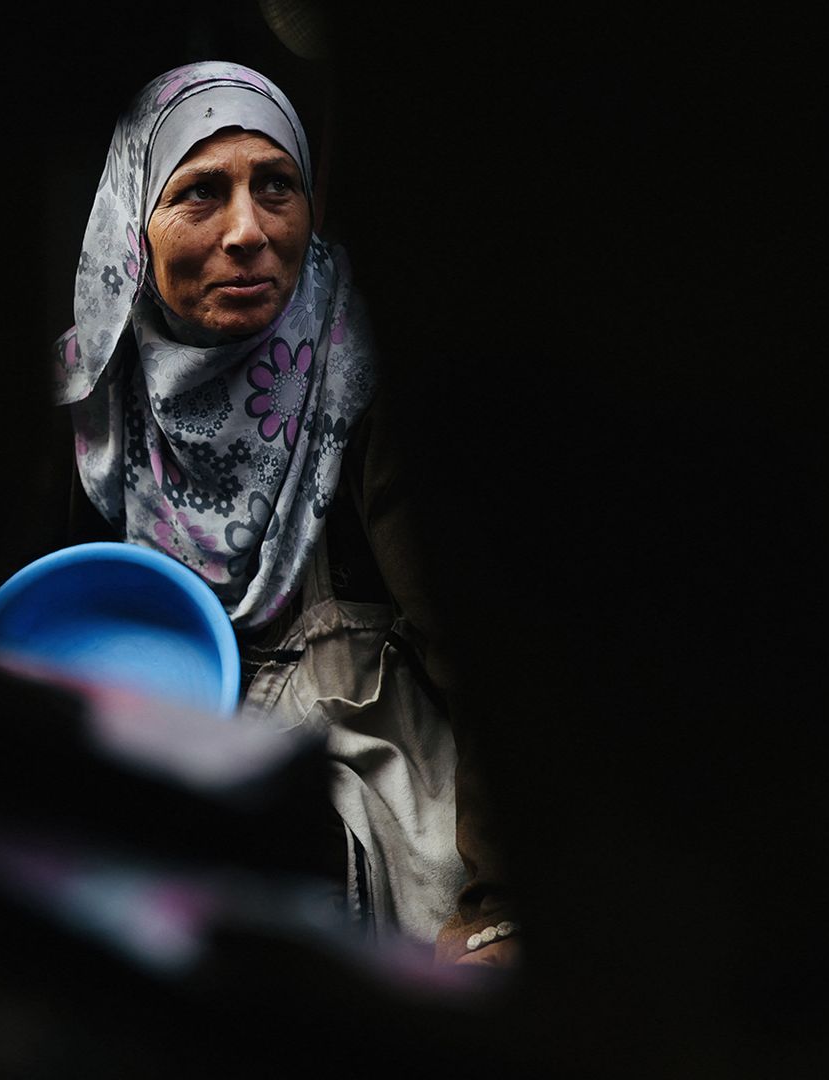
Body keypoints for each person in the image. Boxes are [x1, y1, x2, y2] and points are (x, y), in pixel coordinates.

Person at [38, 59, 518, 964]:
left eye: (276, 186)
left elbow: (487, 661)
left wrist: (497, 909)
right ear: (133, 222)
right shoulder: (91, 399)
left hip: (382, 868)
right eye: (200, 193)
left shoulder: (365, 381)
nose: (248, 231)